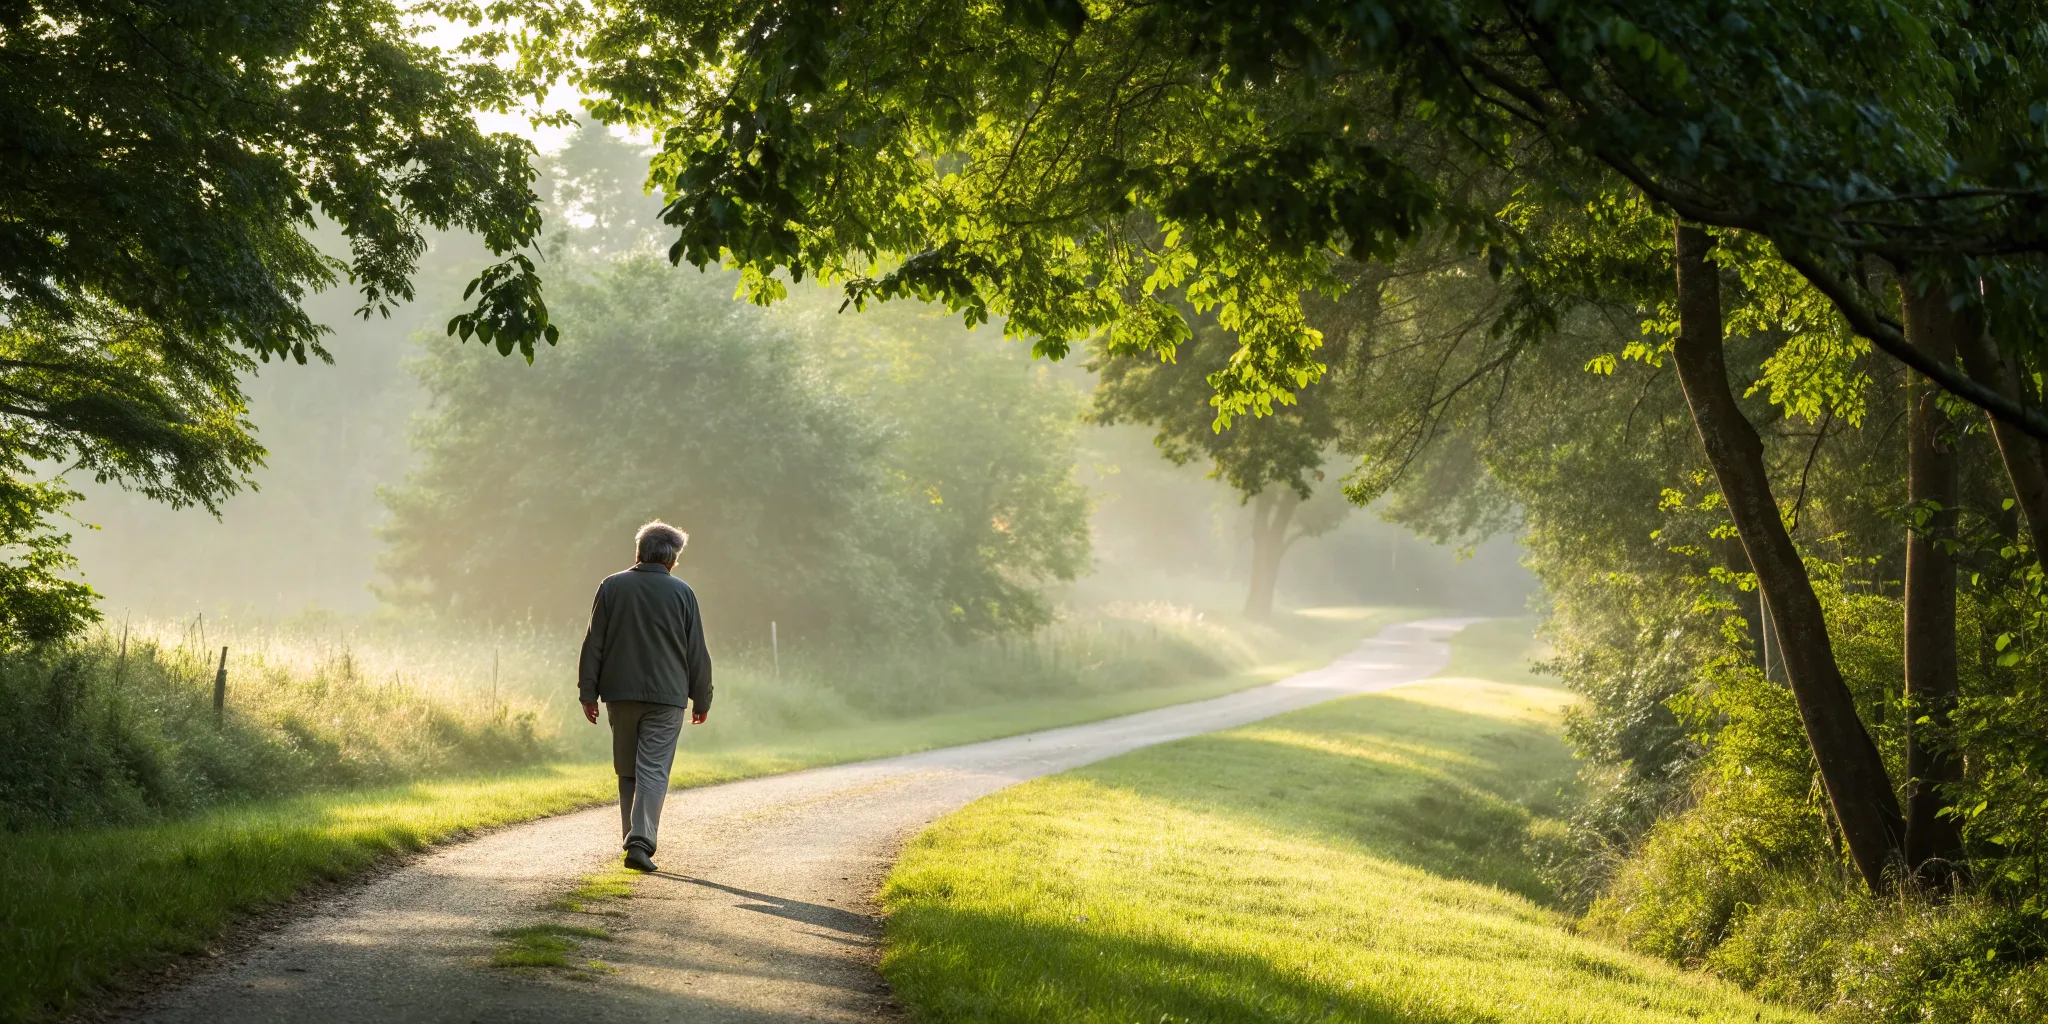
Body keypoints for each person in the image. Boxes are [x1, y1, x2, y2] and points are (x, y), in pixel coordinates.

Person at [578, 520, 713, 872]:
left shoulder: (612, 586)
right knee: (652, 768)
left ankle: (634, 839)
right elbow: (696, 650)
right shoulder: (683, 593)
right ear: (672, 560)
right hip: (668, 697)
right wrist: (703, 698)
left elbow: (594, 642)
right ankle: (639, 841)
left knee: (627, 769)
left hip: (620, 695)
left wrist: (587, 692)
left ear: (639, 552)